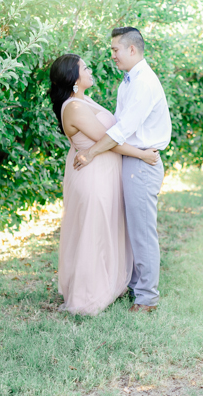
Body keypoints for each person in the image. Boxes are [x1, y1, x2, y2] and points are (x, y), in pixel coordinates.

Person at [48, 53, 160, 316]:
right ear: (74, 78)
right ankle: (88, 295)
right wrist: (142, 154)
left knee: (106, 228)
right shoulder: (74, 107)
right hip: (92, 178)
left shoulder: (83, 100)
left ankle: (110, 283)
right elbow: (107, 139)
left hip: (103, 174)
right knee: (94, 232)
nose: (90, 70)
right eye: (84, 67)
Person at [74, 27, 171, 313]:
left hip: (143, 163)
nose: (112, 55)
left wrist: (90, 152)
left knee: (142, 231)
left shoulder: (143, 83)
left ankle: (146, 298)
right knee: (131, 230)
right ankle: (135, 287)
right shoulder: (129, 81)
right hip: (133, 160)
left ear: (132, 49)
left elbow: (123, 130)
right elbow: (118, 122)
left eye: (116, 49)